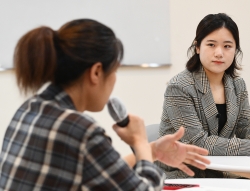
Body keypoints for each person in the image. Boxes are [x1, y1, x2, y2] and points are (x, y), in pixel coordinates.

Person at [0, 19, 210, 190]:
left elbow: (105, 171)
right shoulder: (80, 129)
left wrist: (151, 150)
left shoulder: (29, 107)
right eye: (114, 71)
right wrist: (139, 141)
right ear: (96, 72)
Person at [156, 13, 250, 179]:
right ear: (197, 47)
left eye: (227, 46)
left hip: (219, 171)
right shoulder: (179, 87)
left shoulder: (238, 85)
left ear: (236, 50)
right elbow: (198, 143)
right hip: (183, 175)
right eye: (211, 44)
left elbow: (246, 127)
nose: (219, 53)